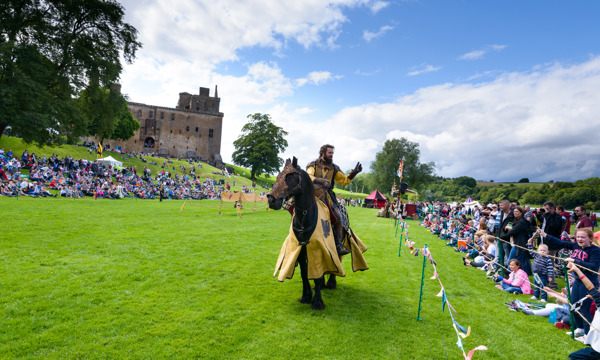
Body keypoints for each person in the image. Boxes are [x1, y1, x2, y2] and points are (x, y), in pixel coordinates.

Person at [539, 228, 600, 335]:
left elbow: (594, 267)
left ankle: (588, 334)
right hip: (577, 281)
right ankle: (580, 329)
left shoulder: (595, 250)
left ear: (590, 239)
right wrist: (545, 234)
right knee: (573, 305)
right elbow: (560, 242)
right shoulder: (575, 245)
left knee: (584, 308)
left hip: (589, 283)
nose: (580, 239)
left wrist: (575, 261)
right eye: (578, 236)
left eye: (583, 237)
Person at [306, 144, 362, 256]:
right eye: (329, 153)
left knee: (338, 216)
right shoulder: (313, 165)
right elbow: (309, 176)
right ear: (323, 153)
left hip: (328, 196)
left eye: (332, 153)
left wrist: (354, 173)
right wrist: (320, 181)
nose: (331, 155)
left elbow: (343, 181)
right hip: (312, 195)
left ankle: (338, 246)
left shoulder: (334, 168)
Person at [568, 262, 600, 359]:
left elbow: (590, 286)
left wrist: (577, 270)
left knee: (573, 356)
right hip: (596, 345)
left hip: (597, 349)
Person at [505, 206, 532, 275]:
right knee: (521, 260)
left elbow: (513, 231)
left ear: (521, 212)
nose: (515, 213)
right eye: (514, 212)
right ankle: (525, 274)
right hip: (517, 242)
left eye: (517, 211)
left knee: (511, 260)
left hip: (520, 244)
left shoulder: (522, 221)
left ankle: (508, 274)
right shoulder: (516, 220)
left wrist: (508, 227)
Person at [527, 238, 554, 303]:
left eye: (544, 251)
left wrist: (550, 276)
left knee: (543, 287)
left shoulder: (548, 259)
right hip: (536, 274)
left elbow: (550, 268)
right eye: (541, 250)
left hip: (543, 275)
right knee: (536, 286)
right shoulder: (536, 255)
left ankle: (544, 298)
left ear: (547, 252)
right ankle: (536, 296)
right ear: (538, 250)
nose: (542, 251)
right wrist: (529, 244)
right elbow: (530, 251)